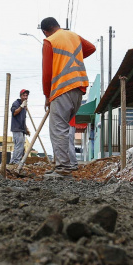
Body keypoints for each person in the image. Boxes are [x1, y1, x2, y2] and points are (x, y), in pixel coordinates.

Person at [40, 17, 95, 176]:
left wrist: (47, 95)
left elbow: (47, 73)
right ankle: (66, 165)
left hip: (62, 89)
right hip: (78, 88)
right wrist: (72, 58)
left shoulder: (49, 41)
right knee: (64, 129)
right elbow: (90, 48)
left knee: (58, 129)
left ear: (45, 31)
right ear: (58, 26)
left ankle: (63, 168)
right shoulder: (73, 36)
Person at [9, 89, 30, 165]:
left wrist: (26, 129)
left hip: (21, 128)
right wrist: (21, 106)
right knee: (19, 145)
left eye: (26, 95)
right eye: (24, 95)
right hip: (16, 128)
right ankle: (16, 161)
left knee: (19, 145)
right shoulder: (16, 103)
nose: (25, 97)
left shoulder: (24, 107)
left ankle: (13, 161)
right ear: (20, 96)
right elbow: (14, 113)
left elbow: (23, 119)